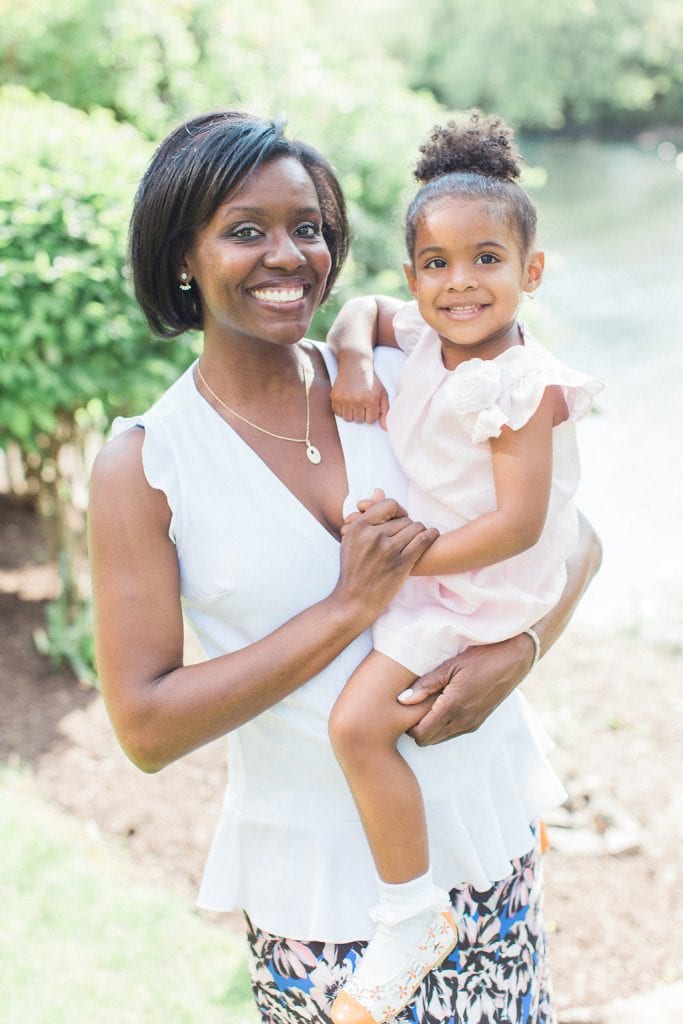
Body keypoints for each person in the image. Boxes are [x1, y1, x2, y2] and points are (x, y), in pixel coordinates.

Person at [88, 109, 602, 1024]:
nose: (289, 255)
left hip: (484, 852)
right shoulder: (145, 465)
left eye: (309, 228)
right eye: (246, 231)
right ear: (180, 256)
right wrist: (345, 605)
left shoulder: (405, 376)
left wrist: (515, 654)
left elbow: (577, 538)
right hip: (324, 908)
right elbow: (148, 727)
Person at [323, 111, 603, 1023]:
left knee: (359, 727)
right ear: (413, 277)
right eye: (436, 264)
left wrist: (398, 568)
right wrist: (354, 356)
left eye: (486, 259)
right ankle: (519, 800)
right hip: (442, 568)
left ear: (531, 272)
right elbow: (359, 309)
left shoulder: (521, 384)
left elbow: (520, 525)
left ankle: (411, 916)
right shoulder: (420, 333)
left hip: (478, 580)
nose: (459, 282)